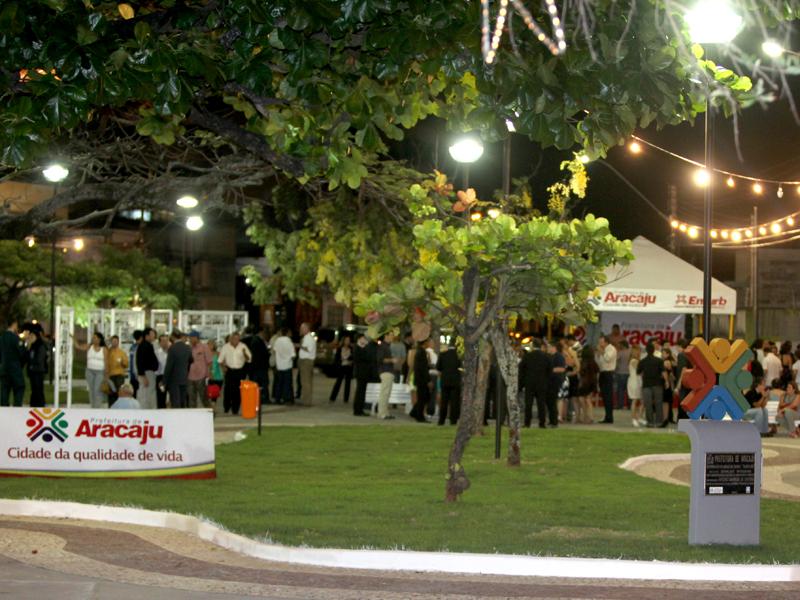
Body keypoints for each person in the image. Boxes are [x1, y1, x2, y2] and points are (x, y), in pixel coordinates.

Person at [519, 339, 550, 428]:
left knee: (528, 403)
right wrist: (546, 380)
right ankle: (542, 423)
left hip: (530, 383)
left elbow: (521, 370)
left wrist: (522, 383)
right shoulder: (545, 356)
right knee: (541, 403)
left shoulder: (527, 356)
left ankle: (527, 422)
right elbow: (549, 370)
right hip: (542, 383)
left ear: (532, 346)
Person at [219, 331, 252, 415]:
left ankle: (235, 409)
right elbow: (220, 360)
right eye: (234, 338)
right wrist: (223, 367)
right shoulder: (226, 347)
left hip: (240, 371)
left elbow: (249, 359)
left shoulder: (243, 346)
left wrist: (244, 353)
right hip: (230, 370)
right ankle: (226, 407)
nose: (235, 340)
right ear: (231, 339)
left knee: (238, 391)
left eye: (237, 339)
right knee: (228, 390)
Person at [74, 331, 109, 408]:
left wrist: (106, 374)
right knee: (91, 389)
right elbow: (78, 347)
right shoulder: (89, 346)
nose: (93, 339)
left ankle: (97, 407)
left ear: (99, 339)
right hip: (89, 371)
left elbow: (106, 361)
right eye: (93, 338)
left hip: (100, 372)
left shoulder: (104, 349)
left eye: (95, 338)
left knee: (97, 389)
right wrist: (73, 338)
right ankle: (92, 406)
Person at [638, 341, 666, 428]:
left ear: (646, 350)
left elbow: (638, 372)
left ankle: (650, 422)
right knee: (658, 403)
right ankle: (659, 422)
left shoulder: (642, 361)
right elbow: (663, 372)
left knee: (648, 404)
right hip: (657, 383)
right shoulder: (659, 361)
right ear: (654, 350)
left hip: (646, 384)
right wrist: (667, 382)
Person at [163, 330, 193, 409]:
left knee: (175, 402)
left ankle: (176, 416)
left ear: (173, 337)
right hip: (184, 378)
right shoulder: (187, 347)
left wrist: (164, 381)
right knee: (183, 401)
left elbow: (169, 366)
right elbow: (191, 360)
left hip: (174, 379)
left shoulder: (172, 348)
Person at [0, 317, 26, 406]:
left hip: (4, 369)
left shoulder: (2, 338)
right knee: (19, 389)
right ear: (14, 324)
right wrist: (21, 365)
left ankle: (4, 411)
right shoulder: (15, 338)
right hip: (15, 370)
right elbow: (22, 353)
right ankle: (16, 410)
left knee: (4, 392)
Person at [436, 342, 462, 425]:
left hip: (445, 381)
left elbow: (438, 367)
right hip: (455, 381)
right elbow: (461, 367)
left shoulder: (443, 354)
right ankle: (453, 420)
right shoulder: (458, 355)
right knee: (454, 402)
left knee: (444, 401)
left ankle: (441, 420)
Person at [244, 326, 271, 405]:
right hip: (259, 366)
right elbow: (260, 354)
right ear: (261, 332)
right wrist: (267, 353)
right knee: (262, 383)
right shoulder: (257, 341)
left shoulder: (255, 340)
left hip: (256, 366)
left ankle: (259, 397)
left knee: (258, 382)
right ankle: (263, 398)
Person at [353, 334, 377, 417]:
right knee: (360, 392)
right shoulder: (357, 348)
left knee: (362, 392)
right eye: (363, 338)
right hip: (360, 373)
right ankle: (357, 410)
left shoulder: (363, 348)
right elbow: (364, 359)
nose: (365, 340)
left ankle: (360, 409)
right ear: (359, 339)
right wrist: (366, 347)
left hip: (364, 373)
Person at [543, 340, 565, 428]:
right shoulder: (548, 356)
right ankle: (551, 420)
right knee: (549, 402)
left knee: (552, 401)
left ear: (554, 347)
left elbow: (562, 369)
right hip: (548, 382)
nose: (547, 348)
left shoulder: (559, 357)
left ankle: (554, 421)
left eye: (549, 347)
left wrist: (549, 370)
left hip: (555, 382)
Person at [188, 331, 213, 408]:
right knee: (191, 399)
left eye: (192, 338)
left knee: (204, 398)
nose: (190, 339)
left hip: (201, 376)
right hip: (189, 377)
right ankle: (193, 413)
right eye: (190, 338)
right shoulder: (188, 348)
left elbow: (209, 361)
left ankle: (209, 412)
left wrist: (209, 373)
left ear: (196, 338)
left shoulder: (204, 347)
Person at [135, 327, 159, 410]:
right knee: (146, 394)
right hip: (146, 373)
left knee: (149, 393)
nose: (154, 336)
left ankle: (149, 410)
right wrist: (143, 376)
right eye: (152, 334)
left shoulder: (148, 345)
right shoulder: (144, 346)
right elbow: (140, 362)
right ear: (147, 335)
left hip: (149, 373)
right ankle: (146, 411)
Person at [596, 335, 617, 424]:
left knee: (608, 396)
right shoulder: (603, 350)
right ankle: (607, 416)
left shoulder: (611, 349)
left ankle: (609, 417)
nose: (600, 344)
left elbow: (607, 358)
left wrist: (601, 351)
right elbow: (599, 362)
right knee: (604, 396)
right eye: (599, 342)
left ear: (606, 342)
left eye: (601, 342)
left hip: (608, 373)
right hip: (602, 373)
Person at [272, 327, 295, 405]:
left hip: (279, 365)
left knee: (279, 383)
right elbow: (293, 355)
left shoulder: (277, 340)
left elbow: (274, 351)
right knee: (287, 383)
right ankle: (287, 399)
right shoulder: (289, 342)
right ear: (287, 333)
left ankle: (278, 398)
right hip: (287, 365)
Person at [375, 333, 396, 420]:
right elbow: (380, 359)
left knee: (387, 393)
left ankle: (385, 412)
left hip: (388, 371)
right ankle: (381, 413)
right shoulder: (383, 346)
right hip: (385, 371)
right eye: (391, 335)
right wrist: (392, 360)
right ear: (386, 336)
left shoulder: (387, 346)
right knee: (384, 393)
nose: (393, 337)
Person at [409, 340, 430, 423]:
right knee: (422, 397)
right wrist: (428, 379)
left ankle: (414, 412)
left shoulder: (420, 352)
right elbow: (423, 368)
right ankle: (420, 416)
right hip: (422, 379)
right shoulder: (422, 352)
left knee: (424, 397)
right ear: (425, 343)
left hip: (419, 378)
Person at [26, 328, 48, 407]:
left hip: (38, 371)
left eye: (32, 336)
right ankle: (33, 405)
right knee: (34, 390)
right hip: (32, 372)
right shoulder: (32, 346)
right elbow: (27, 357)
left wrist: (32, 362)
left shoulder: (40, 346)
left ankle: (40, 405)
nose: (31, 338)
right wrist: (28, 347)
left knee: (38, 390)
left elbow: (39, 359)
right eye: (30, 336)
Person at [576, 345, 598, 425]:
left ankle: (585, 416)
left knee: (582, 399)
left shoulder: (583, 362)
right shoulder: (593, 362)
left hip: (584, 383)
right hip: (592, 382)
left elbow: (581, 372)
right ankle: (590, 417)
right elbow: (597, 371)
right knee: (588, 400)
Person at [329, 335, 353, 403]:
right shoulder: (340, 349)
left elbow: (353, 358)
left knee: (348, 384)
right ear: (343, 341)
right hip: (341, 367)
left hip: (348, 367)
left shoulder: (351, 349)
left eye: (349, 340)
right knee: (338, 382)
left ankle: (346, 399)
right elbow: (336, 358)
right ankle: (332, 398)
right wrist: (340, 360)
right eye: (346, 340)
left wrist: (351, 361)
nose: (347, 341)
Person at [297, 323, 316, 406]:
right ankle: (305, 399)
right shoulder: (306, 337)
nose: (300, 330)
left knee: (306, 382)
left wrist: (300, 345)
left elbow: (309, 349)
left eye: (302, 328)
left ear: (307, 329)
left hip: (306, 361)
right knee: (305, 381)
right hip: (305, 361)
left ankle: (307, 401)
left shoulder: (309, 338)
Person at [106, 335, 129, 406]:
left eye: (116, 341)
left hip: (119, 375)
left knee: (119, 392)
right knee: (111, 393)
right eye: (113, 341)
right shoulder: (108, 352)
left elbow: (126, 364)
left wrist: (122, 363)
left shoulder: (121, 352)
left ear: (118, 342)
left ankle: (119, 406)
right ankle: (111, 407)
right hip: (110, 375)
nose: (114, 343)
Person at [627, 345, 644, 427]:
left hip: (638, 380)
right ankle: (633, 419)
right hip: (634, 381)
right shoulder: (634, 361)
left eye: (640, 351)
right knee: (634, 400)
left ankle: (638, 417)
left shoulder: (637, 360)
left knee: (640, 401)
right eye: (638, 351)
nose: (639, 352)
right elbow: (640, 370)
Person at [661, 346, 676, 427]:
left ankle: (666, 418)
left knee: (666, 401)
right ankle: (669, 418)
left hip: (666, 384)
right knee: (669, 401)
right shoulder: (671, 361)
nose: (662, 354)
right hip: (669, 385)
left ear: (667, 354)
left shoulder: (666, 362)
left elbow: (669, 374)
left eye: (663, 353)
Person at [614, 340, 630, 410]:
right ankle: (630, 405)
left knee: (620, 390)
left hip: (620, 373)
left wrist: (615, 369)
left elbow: (615, 361)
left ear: (622, 345)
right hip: (629, 373)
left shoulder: (620, 353)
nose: (618, 346)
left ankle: (620, 405)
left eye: (619, 345)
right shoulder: (630, 352)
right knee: (629, 390)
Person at [155, 334, 170, 409]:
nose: (165, 343)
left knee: (173, 396)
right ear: (160, 343)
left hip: (171, 377)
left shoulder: (172, 352)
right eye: (163, 341)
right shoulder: (156, 353)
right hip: (161, 378)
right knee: (161, 396)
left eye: (167, 340)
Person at [207, 339, 224, 406]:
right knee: (209, 394)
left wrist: (223, 371)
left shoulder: (218, 353)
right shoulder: (205, 354)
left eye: (212, 344)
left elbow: (222, 364)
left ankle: (213, 407)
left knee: (214, 394)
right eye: (209, 344)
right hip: (208, 377)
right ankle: (211, 407)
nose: (210, 346)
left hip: (218, 377)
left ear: (214, 345)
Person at [129, 329, 142, 397]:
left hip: (132, 375)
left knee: (134, 394)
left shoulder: (132, 347)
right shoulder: (140, 347)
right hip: (138, 375)